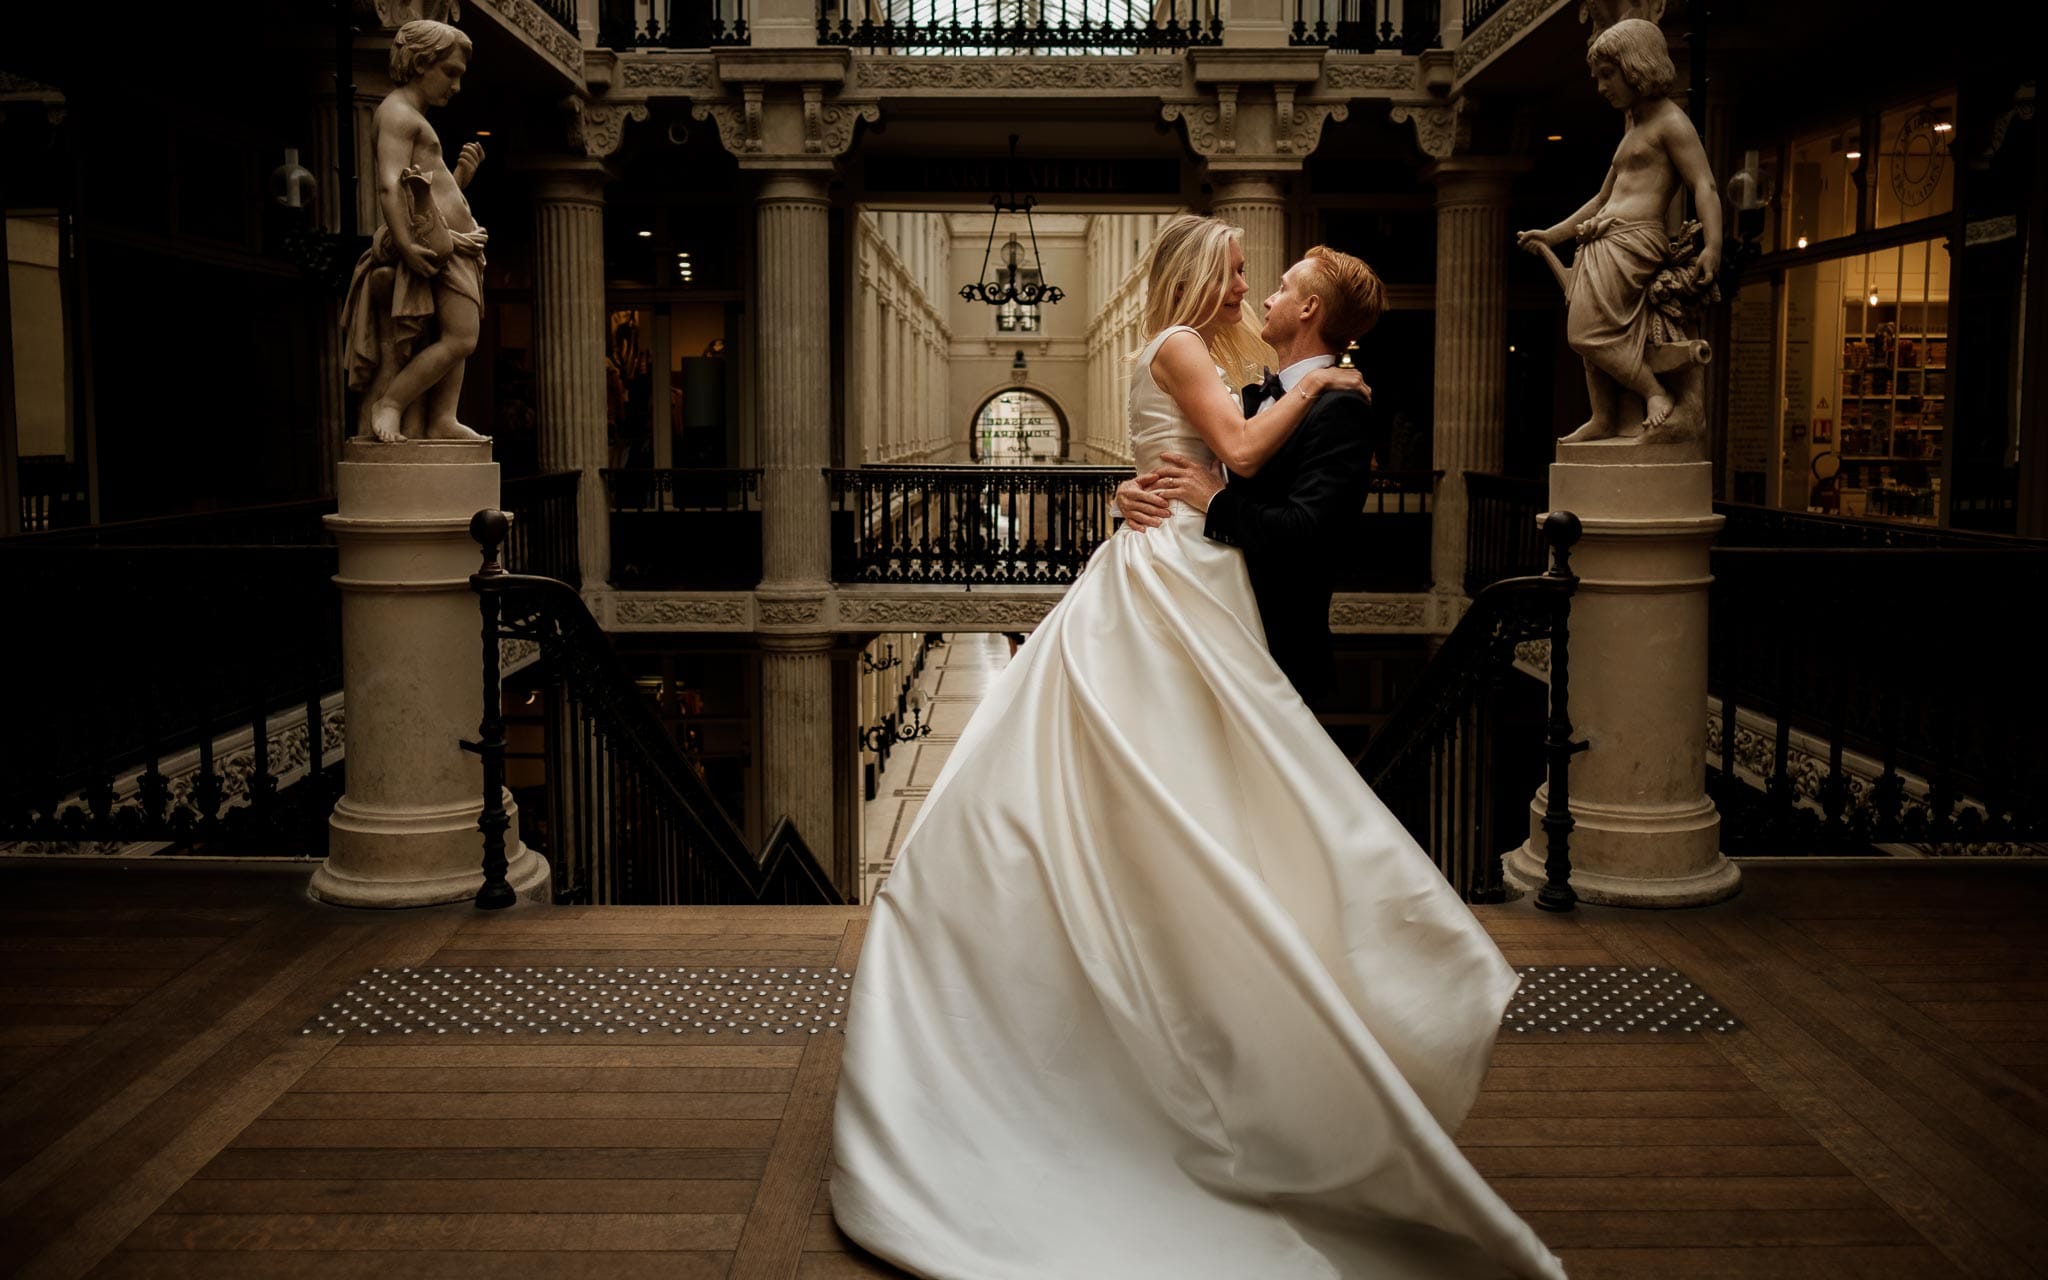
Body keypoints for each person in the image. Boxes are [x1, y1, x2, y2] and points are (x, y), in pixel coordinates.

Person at [830, 214, 1566, 1280]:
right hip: (1176, 579)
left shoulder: (1269, 385)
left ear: (1306, 311)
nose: (1249, 289)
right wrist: (1290, 403)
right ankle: (1147, 1006)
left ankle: (1274, 1022)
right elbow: (1231, 452)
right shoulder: (1233, 369)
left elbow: (1263, 497)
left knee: (1225, 805)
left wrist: (1205, 469)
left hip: (1225, 597)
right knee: (1158, 787)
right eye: (1234, 272)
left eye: (1265, 281)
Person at [1110, 244, 1383, 710]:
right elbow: (1206, 457)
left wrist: (1214, 501)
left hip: (1278, 647)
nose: (1264, 297)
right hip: (1214, 615)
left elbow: (1307, 532)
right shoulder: (1258, 397)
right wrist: (1131, 492)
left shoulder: (1342, 407)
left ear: (1308, 308)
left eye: (1282, 288)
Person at [1516, 16, 1721, 440]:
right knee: (1591, 325)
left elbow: (1704, 183)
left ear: (1636, 66)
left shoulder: (1672, 122)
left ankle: (1654, 392)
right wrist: (1551, 235)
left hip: (1636, 241)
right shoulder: (1633, 127)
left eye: (1608, 75)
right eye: (1598, 77)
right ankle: (1605, 417)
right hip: (1605, 237)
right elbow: (1602, 198)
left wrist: (1713, 246)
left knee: (1585, 331)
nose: (1601, 87)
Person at [340, 19, 489, 444]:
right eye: (451, 72)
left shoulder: (412, 117)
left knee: (455, 333)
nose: (456, 86)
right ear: (422, 62)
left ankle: (443, 417)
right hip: (436, 248)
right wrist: (405, 244)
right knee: (462, 338)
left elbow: (428, 192)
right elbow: (390, 185)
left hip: (453, 246)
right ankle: (390, 402)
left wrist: (459, 177)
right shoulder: (397, 114)